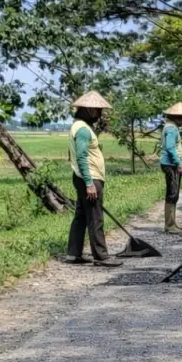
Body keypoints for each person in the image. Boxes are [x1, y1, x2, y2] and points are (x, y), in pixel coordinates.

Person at [66, 91, 123, 267]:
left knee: (81, 216)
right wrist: (89, 183)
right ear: (90, 110)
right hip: (89, 178)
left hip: (81, 177)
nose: (100, 115)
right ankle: (101, 256)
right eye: (98, 111)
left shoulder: (77, 126)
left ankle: (73, 254)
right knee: (95, 217)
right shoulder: (83, 130)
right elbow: (82, 157)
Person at [159, 102, 182, 235]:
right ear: (177, 117)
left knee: (174, 194)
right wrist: (179, 164)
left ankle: (172, 223)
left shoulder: (170, 127)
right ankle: (169, 225)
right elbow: (170, 147)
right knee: (172, 194)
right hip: (170, 164)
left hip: (171, 164)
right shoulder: (171, 129)